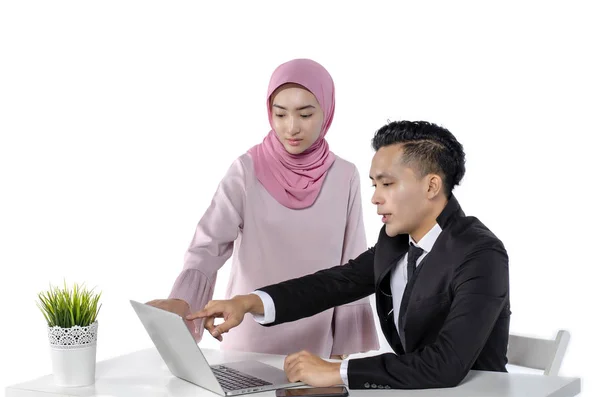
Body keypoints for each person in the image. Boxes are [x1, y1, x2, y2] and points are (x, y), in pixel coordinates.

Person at [188, 120, 511, 390]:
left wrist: (337, 372)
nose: (375, 198)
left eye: (387, 184)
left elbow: (446, 364)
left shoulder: (481, 253)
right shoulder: (397, 241)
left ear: (431, 186)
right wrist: (248, 302)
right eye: (373, 185)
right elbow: (337, 282)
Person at [146, 58, 379, 359]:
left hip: (315, 344)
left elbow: (353, 262)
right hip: (247, 336)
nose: (291, 127)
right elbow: (209, 244)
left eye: (305, 114)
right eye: (280, 114)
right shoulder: (246, 171)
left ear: (327, 111)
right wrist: (183, 300)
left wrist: (341, 348)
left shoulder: (345, 175)